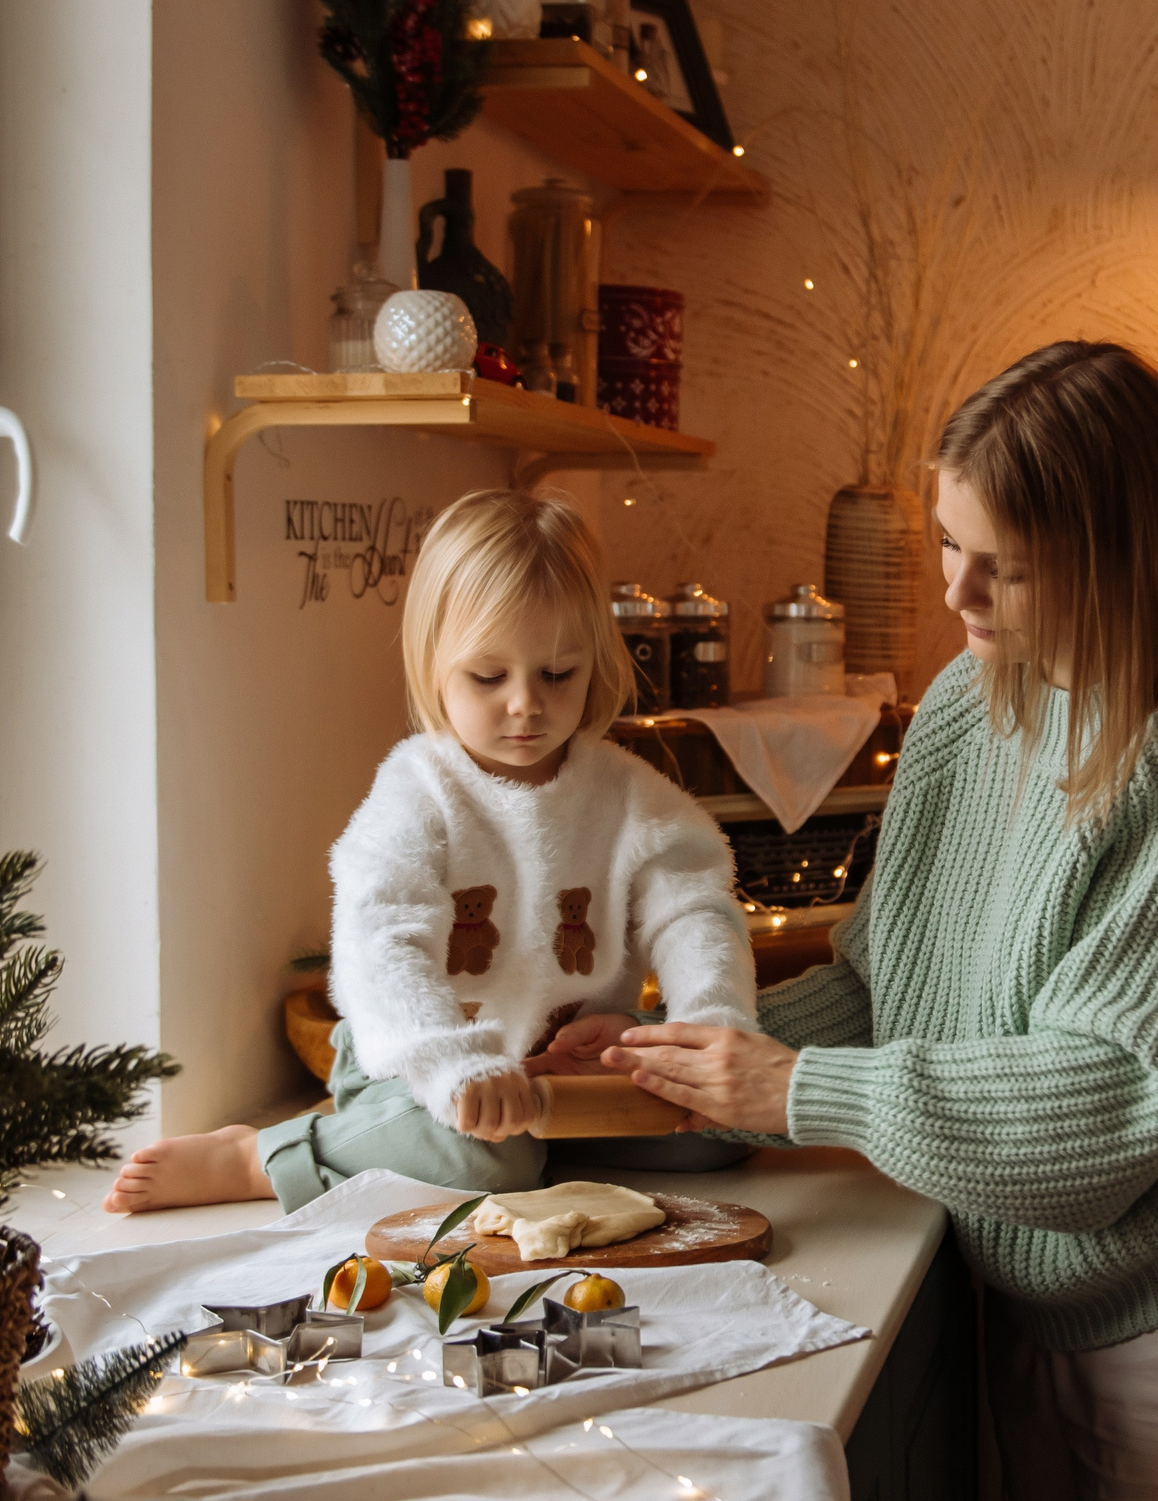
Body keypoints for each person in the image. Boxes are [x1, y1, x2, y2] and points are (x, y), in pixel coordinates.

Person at [550, 342, 1158, 1501]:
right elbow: (884, 985)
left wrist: (787, 1094)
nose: (955, 590)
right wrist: (668, 1053)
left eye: (1005, 564)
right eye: (946, 542)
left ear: (1116, 553)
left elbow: (1110, 1106)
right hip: (1028, 1291)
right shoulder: (965, 714)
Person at [105, 489, 756, 1214]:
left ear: (593, 661)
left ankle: (537, 1143)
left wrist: (706, 1030)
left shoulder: (629, 795)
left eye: (557, 673)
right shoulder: (418, 791)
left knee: (717, 1135)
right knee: (490, 1156)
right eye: (488, 676)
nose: (525, 704)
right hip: (420, 1066)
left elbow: (696, 911)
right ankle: (263, 1155)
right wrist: (452, 1062)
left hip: (558, 1079)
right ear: (435, 663)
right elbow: (380, 944)